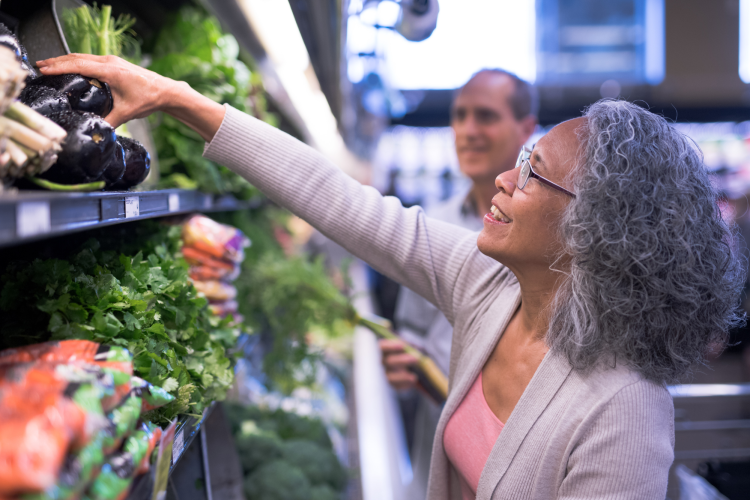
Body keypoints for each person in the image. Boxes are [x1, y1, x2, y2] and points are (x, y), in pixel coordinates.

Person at [40, 54, 745, 499]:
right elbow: (345, 204)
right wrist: (177, 98)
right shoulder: (490, 287)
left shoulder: (624, 410)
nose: (502, 177)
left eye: (533, 174)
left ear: (592, 230)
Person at [384, 69, 536, 499]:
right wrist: (401, 361)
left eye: (485, 116)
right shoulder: (432, 223)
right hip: (438, 445)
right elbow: (412, 329)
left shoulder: (548, 233)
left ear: (527, 128)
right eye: (460, 116)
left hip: (515, 455)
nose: (468, 131)